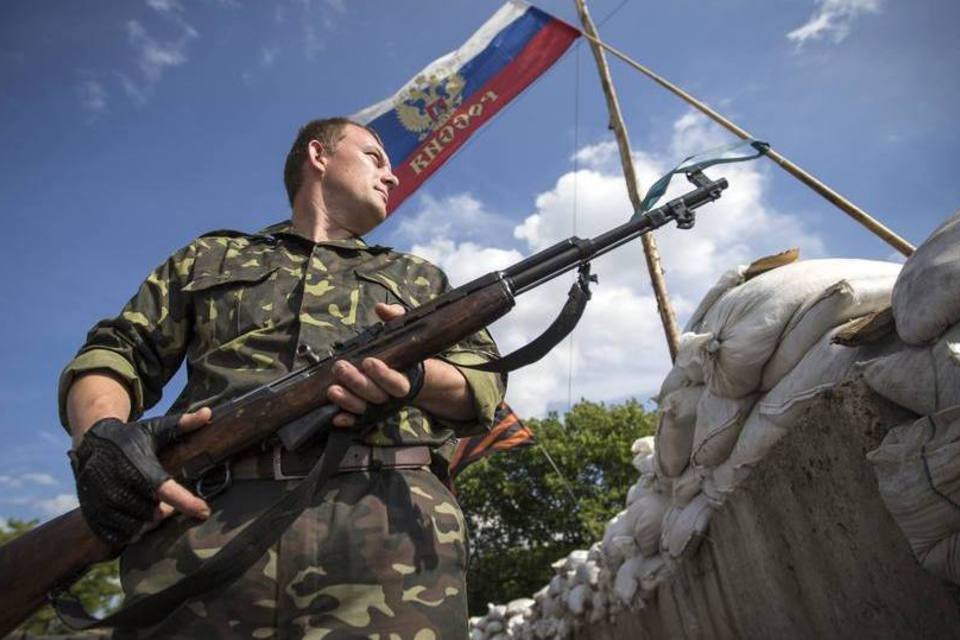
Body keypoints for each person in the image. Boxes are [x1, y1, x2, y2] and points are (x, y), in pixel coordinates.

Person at [60, 117, 506, 638]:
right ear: (319, 156)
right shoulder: (210, 257)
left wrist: (415, 375)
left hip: (391, 537)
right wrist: (101, 437)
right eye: (374, 157)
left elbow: (484, 382)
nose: (392, 176)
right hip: (203, 532)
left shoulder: (418, 276)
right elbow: (116, 352)